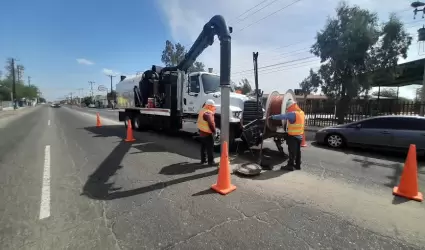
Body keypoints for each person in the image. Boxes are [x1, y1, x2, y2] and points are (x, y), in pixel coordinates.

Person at [269, 98, 305, 171]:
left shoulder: (293, 114)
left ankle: (290, 166)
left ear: (291, 106)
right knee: (298, 152)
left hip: (293, 137)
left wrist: (272, 117)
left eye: (288, 108)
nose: (287, 109)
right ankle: (298, 165)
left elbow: (282, 116)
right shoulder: (301, 113)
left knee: (291, 152)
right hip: (299, 136)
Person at [197, 99, 217, 166]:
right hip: (207, 134)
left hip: (201, 133)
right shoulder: (208, 113)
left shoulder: (202, 110)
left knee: (203, 147)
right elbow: (211, 123)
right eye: (212, 106)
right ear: (209, 106)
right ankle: (211, 162)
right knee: (210, 148)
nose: (213, 108)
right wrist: (214, 131)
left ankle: (203, 160)